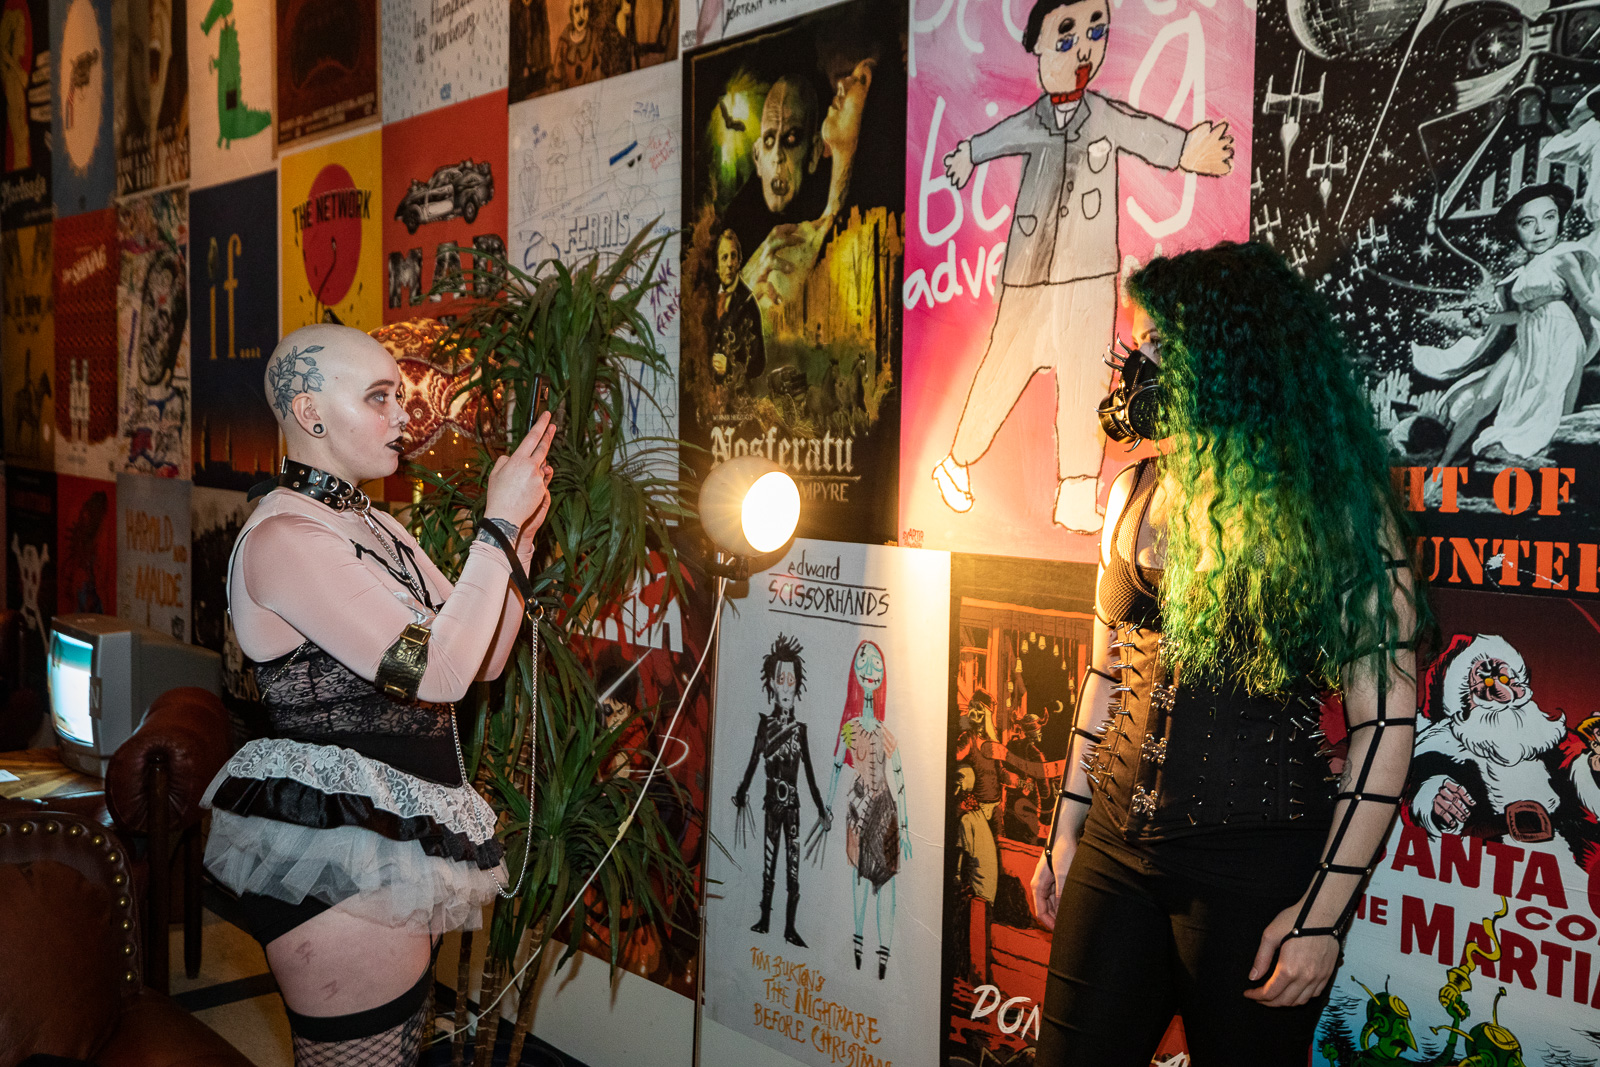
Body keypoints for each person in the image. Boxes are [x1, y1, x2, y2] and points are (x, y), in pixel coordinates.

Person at [1029, 242, 1426, 1065]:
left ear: (1228, 354)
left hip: (1255, 870)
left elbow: (1385, 724)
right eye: (1139, 343)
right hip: (1113, 849)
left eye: (1161, 343)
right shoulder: (1131, 491)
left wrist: (1321, 913)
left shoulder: (1339, 512)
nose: (1138, 364)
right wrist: (1065, 831)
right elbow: (1104, 675)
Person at [201, 323, 556, 1064]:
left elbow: (483, 660)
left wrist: (517, 544)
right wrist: (494, 526)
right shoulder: (285, 538)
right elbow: (437, 673)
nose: (403, 415)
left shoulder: (378, 526)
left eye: (400, 395)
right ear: (310, 412)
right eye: (379, 397)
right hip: (332, 849)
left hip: (390, 838)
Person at [931, 0, 1233, 532]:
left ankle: (1075, 490)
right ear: (1038, 46)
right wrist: (968, 154)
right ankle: (957, 462)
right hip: (1030, 273)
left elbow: (1144, 131)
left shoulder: (1103, 115)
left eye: (1097, 31)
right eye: (1067, 35)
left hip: (1090, 274)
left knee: (1086, 379)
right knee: (1002, 369)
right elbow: (1002, 136)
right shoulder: (1035, 119)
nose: (1084, 48)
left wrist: (1189, 149)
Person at [1421, 183, 1600, 468]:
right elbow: (1520, 315)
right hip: (1528, 336)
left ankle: (1553, 470)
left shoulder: (1564, 256)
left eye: (1549, 217)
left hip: (1560, 336)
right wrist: (1487, 318)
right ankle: (1441, 468)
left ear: (1559, 220)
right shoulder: (1521, 272)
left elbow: (1587, 299)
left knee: (1554, 408)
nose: (1540, 230)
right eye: (1528, 223)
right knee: (1483, 399)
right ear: (1515, 230)